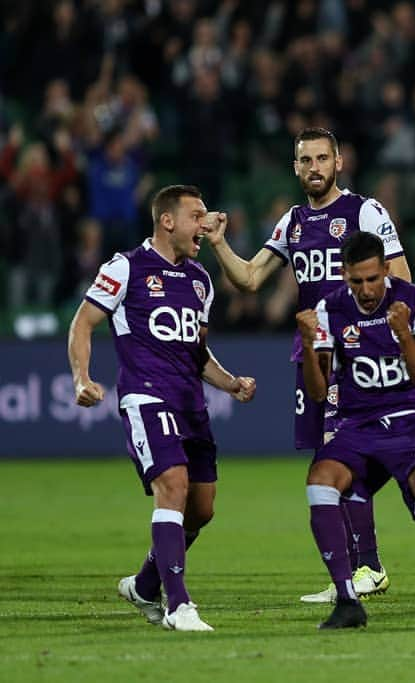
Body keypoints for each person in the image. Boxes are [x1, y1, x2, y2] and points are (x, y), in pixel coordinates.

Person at [205, 127, 411, 603]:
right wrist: (218, 243)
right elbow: (252, 278)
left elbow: (401, 279)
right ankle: (360, 570)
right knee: (329, 463)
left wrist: (378, 336)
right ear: (295, 167)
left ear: (339, 163)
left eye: (322, 158)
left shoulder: (364, 212)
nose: (314, 167)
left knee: (337, 461)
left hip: (355, 356)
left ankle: (367, 568)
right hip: (311, 357)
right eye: (305, 160)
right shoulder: (293, 222)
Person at [68, 185, 256, 632]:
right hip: (147, 395)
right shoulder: (126, 267)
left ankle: (145, 585)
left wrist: (230, 383)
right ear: (168, 220)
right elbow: (83, 322)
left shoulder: (200, 280)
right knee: (172, 484)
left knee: (202, 508)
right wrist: (82, 377)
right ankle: (179, 605)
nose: (206, 225)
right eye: (198, 216)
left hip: (191, 403)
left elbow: (197, 351)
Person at [295, 231, 415, 630]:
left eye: (372, 279)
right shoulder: (329, 310)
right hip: (358, 423)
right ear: (345, 276)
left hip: (412, 419)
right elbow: (319, 392)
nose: (366, 289)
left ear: (386, 269)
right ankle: (347, 600)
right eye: (356, 281)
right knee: (320, 482)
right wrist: (308, 346)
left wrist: (404, 333)